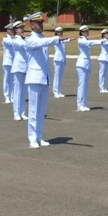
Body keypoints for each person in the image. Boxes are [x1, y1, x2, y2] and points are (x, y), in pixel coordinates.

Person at [24, 13, 70, 148]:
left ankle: (39, 136)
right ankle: (32, 138)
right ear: (32, 25)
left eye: (42, 23)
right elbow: (41, 43)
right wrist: (57, 38)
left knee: (41, 110)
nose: (41, 25)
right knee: (33, 110)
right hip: (34, 78)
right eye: (38, 23)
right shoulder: (30, 39)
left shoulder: (42, 38)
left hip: (43, 78)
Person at [76, 25, 102, 112]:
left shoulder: (86, 40)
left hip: (86, 64)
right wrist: (100, 41)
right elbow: (89, 43)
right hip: (81, 64)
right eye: (85, 31)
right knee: (82, 85)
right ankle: (80, 105)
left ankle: (83, 104)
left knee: (85, 85)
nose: (87, 33)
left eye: (87, 31)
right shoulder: (81, 40)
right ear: (81, 32)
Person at [9, 21, 28, 120]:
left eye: (22, 28)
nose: (22, 30)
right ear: (16, 30)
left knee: (23, 92)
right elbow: (25, 45)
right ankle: (16, 113)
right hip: (18, 67)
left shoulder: (22, 39)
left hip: (25, 67)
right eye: (20, 28)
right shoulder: (16, 40)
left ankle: (22, 112)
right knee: (17, 91)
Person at [52, 27, 67, 98]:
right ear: (56, 32)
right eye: (59, 32)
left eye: (61, 32)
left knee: (60, 76)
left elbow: (66, 40)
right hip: (57, 59)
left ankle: (59, 91)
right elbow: (62, 40)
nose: (61, 33)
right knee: (57, 76)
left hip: (62, 59)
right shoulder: (56, 39)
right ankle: (55, 91)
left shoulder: (62, 39)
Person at [2, 24, 15, 103]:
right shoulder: (5, 39)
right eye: (11, 30)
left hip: (14, 61)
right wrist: (14, 36)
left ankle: (12, 96)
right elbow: (12, 43)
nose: (12, 31)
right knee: (7, 80)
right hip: (7, 61)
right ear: (7, 30)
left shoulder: (14, 38)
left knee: (13, 80)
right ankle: (7, 96)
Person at [98, 29, 108, 93]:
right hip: (102, 59)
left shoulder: (107, 41)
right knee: (102, 74)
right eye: (106, 33)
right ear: (103, 34)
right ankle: (101, 88)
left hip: (106, 59)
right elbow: (105, 43)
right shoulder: (103, 40)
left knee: (105, 74)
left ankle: (104, 87)